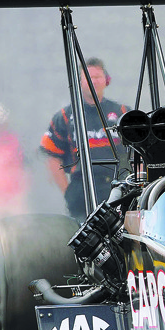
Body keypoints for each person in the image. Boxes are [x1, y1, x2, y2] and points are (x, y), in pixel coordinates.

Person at [40, 57, 130, 221]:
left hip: (117, 188)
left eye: (97, 77)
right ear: (79, 82)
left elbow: (138, 150)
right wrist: (67, 192)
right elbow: (52, 157)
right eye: (89, 78)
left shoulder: (122, 112)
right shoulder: (65, 116)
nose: (93, 82)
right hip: (81, 191)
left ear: (106, 80)